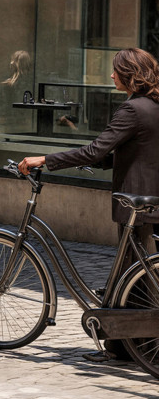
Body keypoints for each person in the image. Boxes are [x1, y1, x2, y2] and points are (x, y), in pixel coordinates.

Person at [18, 48, 159, 363]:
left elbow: (95, 150)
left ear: (130, 74)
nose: (111, 76)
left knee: (136, 279)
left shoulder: (132, 109)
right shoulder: (153, 106)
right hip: (152, 200)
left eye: (115, 70)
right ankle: (125, 347)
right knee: (133, 278)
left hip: (137, 202)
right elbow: (137, 150)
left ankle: (131, 347)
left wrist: (46, 159)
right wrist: (109, 161)